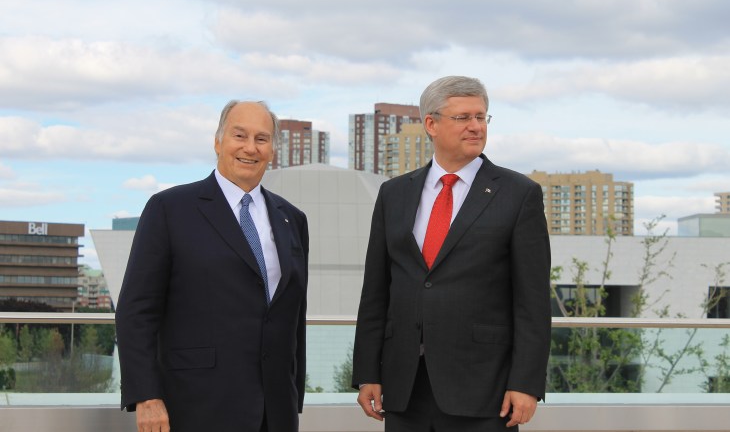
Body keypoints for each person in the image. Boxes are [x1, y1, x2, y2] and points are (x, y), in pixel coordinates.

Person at [352, 76, 551, 431]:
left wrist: (526, 383)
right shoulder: (393, 194)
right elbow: (376, 292)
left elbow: (532, 301)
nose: (476, 127)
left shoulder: (519, 194)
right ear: (431, 123)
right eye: (463, 118)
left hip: (484, 388)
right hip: (404, 387)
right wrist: (367, 371)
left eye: (481, 117)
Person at [115, 100, 308, 432]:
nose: (250, 147)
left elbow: (293, 316)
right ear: (218, 142)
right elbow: (136, 310)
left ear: (273, 150)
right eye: (239, 135)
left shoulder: (292, 219)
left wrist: (293, 392)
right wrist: (147, 396)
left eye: (262, 139)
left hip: (275, 410)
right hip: (195, 405)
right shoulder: (170, 208)